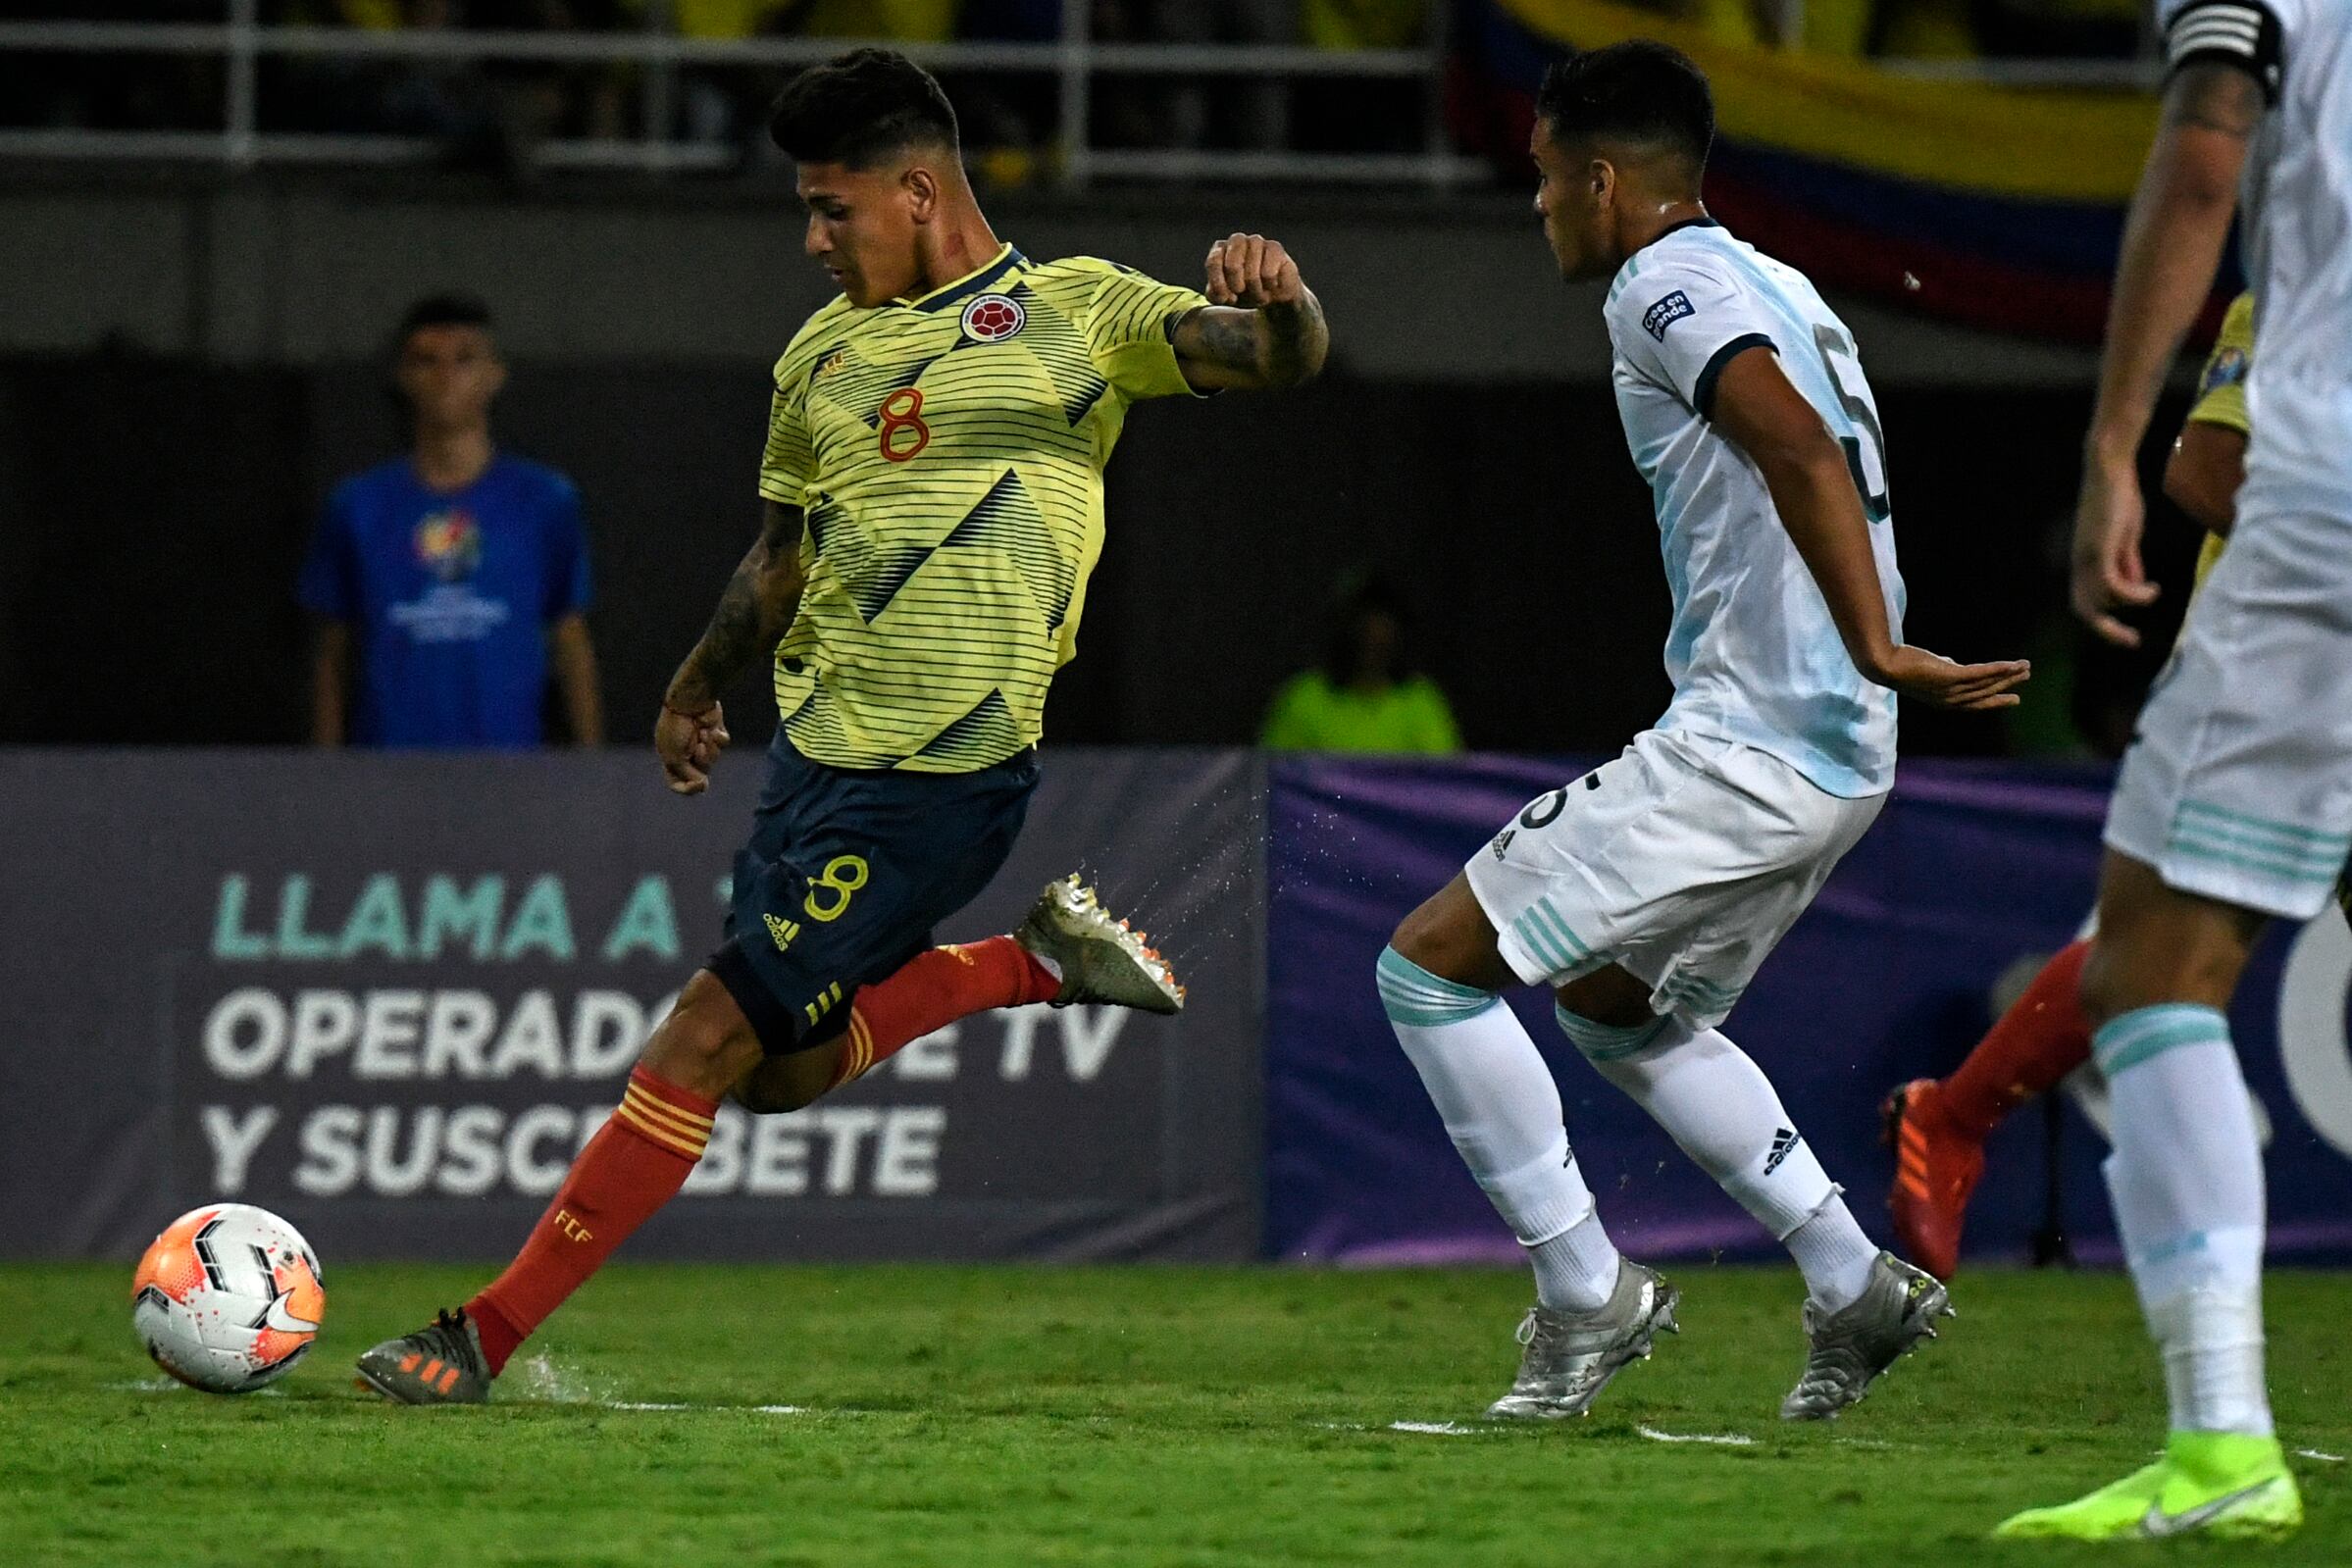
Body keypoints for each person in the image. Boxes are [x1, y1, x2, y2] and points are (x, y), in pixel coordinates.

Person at [353, 47, 1328, 1403]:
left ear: (918, 193)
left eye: (833, 211)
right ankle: (1026, 962)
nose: (812, 240)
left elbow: (1271, 361)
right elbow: (778, 558)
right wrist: (698, 683)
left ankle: (478, 1336)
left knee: (701, 1033)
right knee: (778, 1074)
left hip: (942, 778)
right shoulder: (820, 355)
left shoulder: (1075, 315)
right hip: (813, 759)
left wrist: (1282, 308)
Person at [1374, 41, 2027, 1426]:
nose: (1537, 203)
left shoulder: (1657, 283)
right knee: (1620, 1009)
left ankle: (1582, 1294)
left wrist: (1871, 641)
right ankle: (1854, 1282)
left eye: (1545, 176)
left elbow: (1790, 442)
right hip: (1834, 752)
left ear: (1603, 179)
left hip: (1758, 732)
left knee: (1428, 970)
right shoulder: (1780, 280)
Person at [1996, 0, 2349, 1541]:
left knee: (2151, 962)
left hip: (2329, 487)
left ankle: (2220, 1444)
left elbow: (2203, 157)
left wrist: (2109, 446)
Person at [1882, 293, 2258, 1284]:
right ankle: (1951, 1119)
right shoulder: (2307, 289)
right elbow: (2205, 469)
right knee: (2154, 959)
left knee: (2153, 959)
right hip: (2266, 677)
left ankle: (1951, 1117)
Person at [299, 293, 603, 750]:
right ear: (403, 377)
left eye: (464, 359)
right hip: (388, 769)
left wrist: (591, 767)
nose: (445, 377)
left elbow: (570, 635)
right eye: (426, 361)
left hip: (511, 769)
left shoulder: (543, 501)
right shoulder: (359, 505)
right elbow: (332, 650)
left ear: (494, 374)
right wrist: (325, 771)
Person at [1259, 573, 1461, 754]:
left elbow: (1445, 784)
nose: (1373, 638)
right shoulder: (1304, 699)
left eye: (1382, 629)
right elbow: (1270, 780)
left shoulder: (1421, 701)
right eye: (1364, 628)